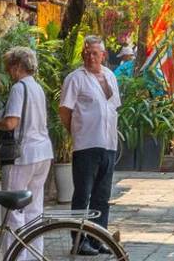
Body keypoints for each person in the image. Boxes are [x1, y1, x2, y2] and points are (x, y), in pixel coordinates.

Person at [59, 35, 121, 255]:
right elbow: (65, 110)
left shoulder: (111, 76)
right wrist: (76, 131)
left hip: (108, 144)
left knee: (102, 196)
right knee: (82, 195)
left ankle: (97, 238)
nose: (90, 56)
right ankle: (79, 240)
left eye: (95, 53)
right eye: (87, 52)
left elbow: (113, 108)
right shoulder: (76, 78)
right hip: (86, 144)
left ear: (103, 55)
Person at [0, 46, 51, 261]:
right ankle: (34, 256)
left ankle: (14, 258)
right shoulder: (37, 88)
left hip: (23, 155)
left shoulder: (19, 88)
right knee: (34, 210)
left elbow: (11, 122)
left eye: (10, 67)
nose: (9, 72)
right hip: (43, 152)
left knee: (13, 212)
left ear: (18, 66)